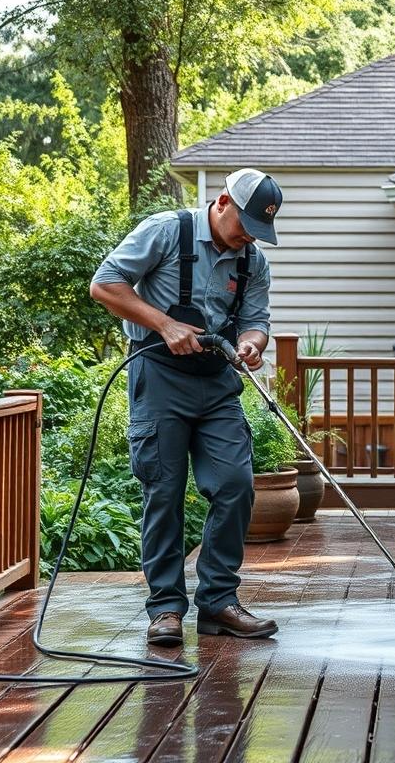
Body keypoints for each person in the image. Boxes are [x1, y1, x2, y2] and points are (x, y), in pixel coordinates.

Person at [89, 168, 283, 646]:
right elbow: (105, 284)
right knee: (164, 490)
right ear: (222, 204)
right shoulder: (165, 231)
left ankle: (218, 601)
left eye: (257, 233)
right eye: (245, 227)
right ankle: (165, 610)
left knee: (236, 484)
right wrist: (165, 325)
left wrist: (252, 344)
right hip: (158, 376)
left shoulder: (251, 261)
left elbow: (256, 320)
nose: (247, 240)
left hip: (217, 382)